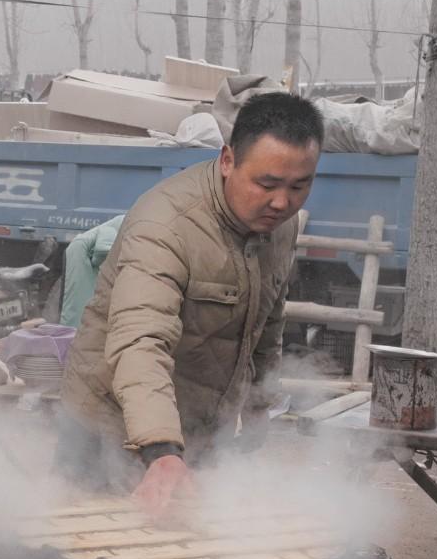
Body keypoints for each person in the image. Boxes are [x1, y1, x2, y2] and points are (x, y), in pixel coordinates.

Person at [58, 92, 323, 517]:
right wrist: (161, 451)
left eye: (300, 186)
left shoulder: (281, 226)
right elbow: (140, 340)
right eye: (267, 184)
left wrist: (257, 406)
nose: (282, 202)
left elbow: (268, 321)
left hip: (193, 430)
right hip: (109, 427)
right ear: (228, 161)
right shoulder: (165, 226)